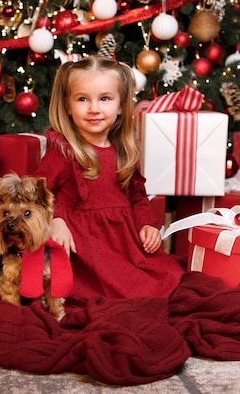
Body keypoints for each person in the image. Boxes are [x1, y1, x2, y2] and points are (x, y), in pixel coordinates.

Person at [34, 56, 184, 303]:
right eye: (82, 99)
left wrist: (147, 225)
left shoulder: (123, 150)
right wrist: (56, 220)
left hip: (124, 242)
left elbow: (136, 196)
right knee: (120, 292)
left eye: (104, 99)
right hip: (86, 246)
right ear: (68, 106)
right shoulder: (63, 150)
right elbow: (36, 194)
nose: (94, 108)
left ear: (122, 105)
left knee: (164, 279)